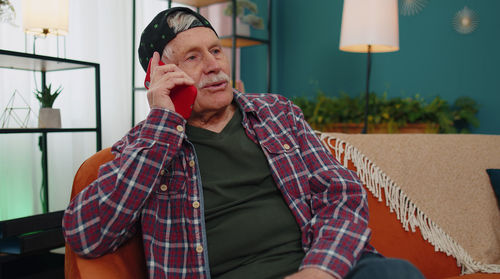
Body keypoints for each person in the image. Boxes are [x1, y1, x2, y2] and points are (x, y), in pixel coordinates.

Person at [63, 7, 424, 279]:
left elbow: (342, 194)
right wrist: (163, 124)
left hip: (321, 268)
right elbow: (87, 235)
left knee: (397, 273)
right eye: (193, 57)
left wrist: (320, 270)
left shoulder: (277, 113)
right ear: (160, 76)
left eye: (216, 51)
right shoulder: (144, 145)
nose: (213, 65)